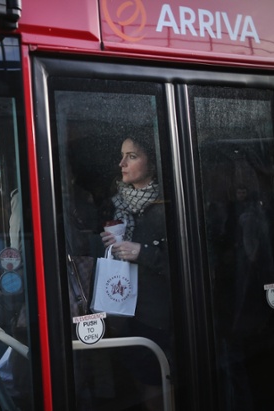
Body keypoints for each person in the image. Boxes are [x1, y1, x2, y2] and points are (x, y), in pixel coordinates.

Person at [99, 134, 171, 410]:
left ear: (151, 163)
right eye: (121, 156)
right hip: (124, 309)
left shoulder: (169, 203)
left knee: (155, 380)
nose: (121, 163)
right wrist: (108, 244)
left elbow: (194, 260)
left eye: (132, 156)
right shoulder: (117, 204)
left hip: (158, 314)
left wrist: (142, 252)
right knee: (137, 378)